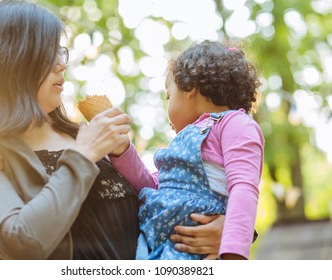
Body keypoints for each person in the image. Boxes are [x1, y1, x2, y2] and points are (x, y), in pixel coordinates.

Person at [0, 0, 225, 260]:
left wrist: (227, 229)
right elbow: (21, 241)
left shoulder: (88, 137)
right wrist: (83, 155)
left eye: (60, 51)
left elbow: (164, 202)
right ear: (8, 60)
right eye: (46, 52)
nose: (61, 63)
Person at [110, 40, 264, 260]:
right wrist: (122, 151)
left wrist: (234, 254)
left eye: (168, 95)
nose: (167, 105)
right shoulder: (181, 143)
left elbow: (244, 188)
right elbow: (153, 186)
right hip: (158, 247)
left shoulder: (236, 124)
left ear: (189, 87)